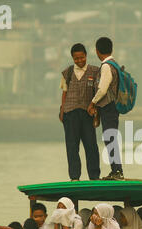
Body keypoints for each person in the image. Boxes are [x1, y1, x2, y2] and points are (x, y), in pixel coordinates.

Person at [60, 43, 101, 182]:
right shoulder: (67, 72)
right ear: (72, 58)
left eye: (81, 57)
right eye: (76, 58)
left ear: (86, 56)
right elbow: (64, 92)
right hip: (70, 113)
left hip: (87, 113)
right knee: (72, 146)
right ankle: (74, 177)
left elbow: (98, 92)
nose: (79, 61)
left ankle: (94, 176)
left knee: (91, 145)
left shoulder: (95, 71)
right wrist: (62, 109)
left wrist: (97, 113)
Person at [87, 37, 124, 180]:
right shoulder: (114, 64)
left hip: (108, 108)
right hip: (112, 108)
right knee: (111, 138)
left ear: (97, 51)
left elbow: (102, 89)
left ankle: (117, 171)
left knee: (110, 139)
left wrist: (92, 102)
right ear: (111, 49)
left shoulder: (106, 66)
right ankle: (116, 170)